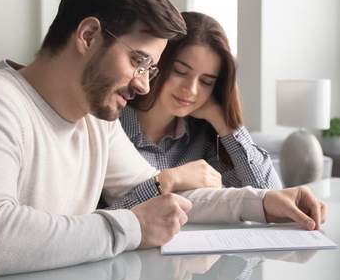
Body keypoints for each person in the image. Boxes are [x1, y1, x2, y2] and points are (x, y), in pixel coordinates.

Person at [0, 0, 325, 280]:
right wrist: (132, 227)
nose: (144, 85)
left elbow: (162, 201)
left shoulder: (95, 120)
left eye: (150, 69)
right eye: (137, 61)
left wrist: (260, 203)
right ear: (88, 36)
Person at [106, 12, 281, 210]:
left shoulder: (204, 138)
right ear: (157, 64)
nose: (191, 89)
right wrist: (170, 180)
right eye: (180, 71)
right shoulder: (110, 122)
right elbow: (103, 218)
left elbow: (271, 197)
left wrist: (225, 123)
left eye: (207, 82)